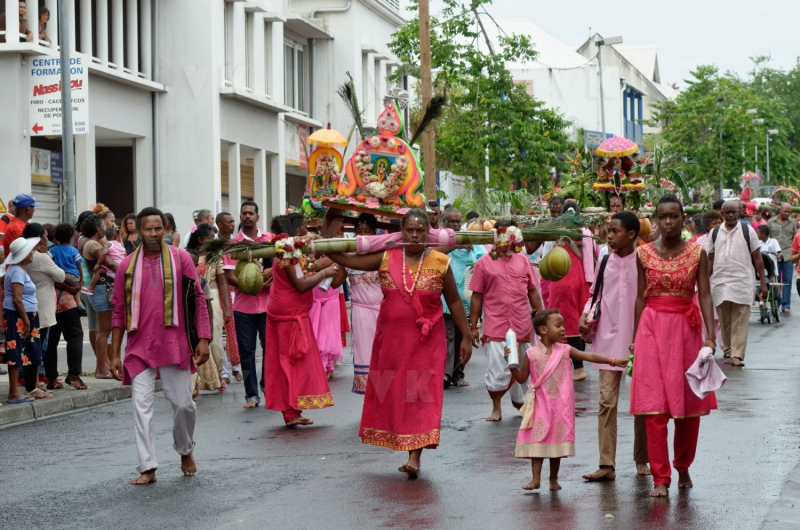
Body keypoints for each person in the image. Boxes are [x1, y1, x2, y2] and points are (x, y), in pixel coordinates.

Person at [327, 209, 472, 477]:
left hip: (426, 344)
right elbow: (347, 259)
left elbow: (453, 301)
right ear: (401, 233)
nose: (415, 235)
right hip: (390, 341)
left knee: (419, 395)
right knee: (393, 392)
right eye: (409, 230)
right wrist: (324, 241)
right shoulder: (385, 257)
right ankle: (400, 439)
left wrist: (467, 336)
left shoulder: (441, 262)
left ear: (428, 233)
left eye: (420, 230)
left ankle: (414, 456)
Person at [109, 207, 210, 485]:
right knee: (141, 406)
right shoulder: (125, 266)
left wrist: (203, 338)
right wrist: (114, 352)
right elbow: (118, 310)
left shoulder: (181, 259)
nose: (153, 234)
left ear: (166, 230)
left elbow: (198, 300)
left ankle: (185, 449)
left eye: (158, 229)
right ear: (137, 231)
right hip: (139, 347)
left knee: (184, 405)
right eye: (148, 229)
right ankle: (148, 466)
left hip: (175, 344)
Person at [631, 194, 718, 498]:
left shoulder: (698, 254)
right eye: (662, 216)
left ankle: (683, 465)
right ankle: (660, 477)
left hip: (686, 332)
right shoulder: (642, 254)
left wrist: (711, 336)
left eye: (674, 216)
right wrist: (634, 340)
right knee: (654, 408)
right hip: (651, 331)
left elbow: (705, 294)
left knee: (687, 409)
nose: (668, 222)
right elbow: (641, 298)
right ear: (656, 219)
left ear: (683, 219)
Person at [509, 310, 619, 491]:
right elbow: (522, 378)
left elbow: (589, 356)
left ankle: (553, 479)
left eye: (563, 326)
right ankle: (536, 479)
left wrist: (612, 361)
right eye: (558, 326)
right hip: (540, 405)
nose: (562, 330)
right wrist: (512, 365)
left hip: (561, 406)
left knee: (555, 443)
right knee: (538, 441)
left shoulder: (565, 350)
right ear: (543, 329)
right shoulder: (531, 353)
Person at [579, 212, 650, 482]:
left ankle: (641, 457)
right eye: (608, 231)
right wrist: (586, 313)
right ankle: (606, 464)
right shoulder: (604, 259)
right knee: (606, 402)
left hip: (638, 338)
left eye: (614, 231)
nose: (608, 236)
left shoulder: (644, 261)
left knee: (642, 404)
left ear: (631, 234)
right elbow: (595, 295)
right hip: (607, 340)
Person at [263, 214, 338, 426]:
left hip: (289, 312)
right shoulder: (287, 252)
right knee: (290, 364)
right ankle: (291, 411)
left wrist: (330, 256)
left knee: (288, 364)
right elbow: (302, 284)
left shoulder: (291, 250)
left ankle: (292, 411)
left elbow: (307, 268)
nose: (307, 230)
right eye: (305, 228)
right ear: (297, 232)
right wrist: (325, 272)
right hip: (288, 315)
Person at [470, 219, 543, 421]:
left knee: (523, 370)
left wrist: (541, 317)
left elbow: (532, 292)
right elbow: (476, 296)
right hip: (495, 326)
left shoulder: (524, 261)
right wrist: (474, 326)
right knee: (497, 371)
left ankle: (523, 407)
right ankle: (496, 407)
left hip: (522, 325)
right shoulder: (483, 263)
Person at [223, 201, 272, 408]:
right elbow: (230, 275)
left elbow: (278, 267)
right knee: (247, 351)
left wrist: (269, 275)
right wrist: (250, 284)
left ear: (257, 217)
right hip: (243, 307)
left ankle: (267, 386)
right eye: (244, 213)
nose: (247, 216)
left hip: (269, 305)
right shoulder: (233, 243)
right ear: (241, 217)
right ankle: (251, 395)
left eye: (251, 213)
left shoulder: (269, 240)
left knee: (270, 348)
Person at [708, 201, 767, 367]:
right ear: (722, 214)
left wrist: (763, 282)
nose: (731, 215)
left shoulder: (748, 231)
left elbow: (757, 257)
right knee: (724, 319)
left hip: (742, 281)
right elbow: (710, 259)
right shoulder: (714, 232)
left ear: (739, 212)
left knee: (740, 319)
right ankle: (728, 350)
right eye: (727, 212)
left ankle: (737, 354)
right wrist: (704, 282)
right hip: (720, 282)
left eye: (733, 212)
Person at [545, 199, 595, 382]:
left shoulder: (555, 233)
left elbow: (546, 259)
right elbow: (592, 258)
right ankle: (578, 367)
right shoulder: (586, 233)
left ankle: (567, 365)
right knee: (577, 321)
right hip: (582, 281)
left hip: (561, 281)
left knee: (560, 322)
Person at [441, 207, 484, 388]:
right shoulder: (440, 239)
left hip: (466, 299)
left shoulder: (471, 238)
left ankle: (458, 375)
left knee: (462, 336)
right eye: (452, 221)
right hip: (445, 301)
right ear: (444, 223)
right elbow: (434, 256)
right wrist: (455, 246)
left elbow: (483, 259)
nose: (456, 225)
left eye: (458, 221)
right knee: (448, 336)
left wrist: (477, 263)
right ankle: (445, 374)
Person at [186, 224, 229, 397]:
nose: (214, 241)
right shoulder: (186, 255)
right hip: (189, 298)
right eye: (211, 238)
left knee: (214, 340)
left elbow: (222, 283)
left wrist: (226, 309)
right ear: (201, 240)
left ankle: (217, 375)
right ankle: (195, 380)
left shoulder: (215, 257)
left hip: (212, 298)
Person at [2, 237, 46, 403]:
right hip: (19, 316)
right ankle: (13, 393)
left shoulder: (17, 270)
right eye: (31, 251)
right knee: (15, 352)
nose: (33, 252)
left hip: (24, 315)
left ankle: (26, 389)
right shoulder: (17, 271)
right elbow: (17, 299)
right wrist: (26, 321)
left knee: (29, 351)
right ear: (24, 255)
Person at [345, 214, 383, 394]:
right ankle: (370, 400)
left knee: (385, 355)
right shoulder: (349, 256)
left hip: (384, 312)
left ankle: (386, 396)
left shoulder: (383, 255)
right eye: (358, 232)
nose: (363, 235)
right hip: (361, 312)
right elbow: (336, 282)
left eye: (367, 231)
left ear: (375, 233)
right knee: (365, 354)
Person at [80, 214, 116, 379]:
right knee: (104, 331)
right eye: (103, 226)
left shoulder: (85, 241)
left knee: (102, 330)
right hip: (102, 288)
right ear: (97, 227)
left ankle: (104, 367)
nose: (105, 229)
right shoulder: (93, 244)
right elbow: (110, 263)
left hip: (100, 288)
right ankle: (102, 369)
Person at [214, 211, 241, 384]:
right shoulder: (213, 244)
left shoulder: (236, 243)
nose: (233, 224)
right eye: (229, 222)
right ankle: (224, 372)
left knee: (234, 333)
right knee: (217, 335)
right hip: (217, 292)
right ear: (220, 224)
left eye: (233, 221)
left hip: (235, 291)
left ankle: (236, 368)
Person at [49, 223, 85, 312]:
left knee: (61, 288)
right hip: (74, 276)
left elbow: (49, 260)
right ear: (70, 238)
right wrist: (81, 277)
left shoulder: (52, 250)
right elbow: (79, 264)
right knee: (75, 289)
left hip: (60, 276)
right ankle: (79, 303)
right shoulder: (74, 250)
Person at [767, 203, 796, 313]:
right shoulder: (771, 222)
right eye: (786, 211)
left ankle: (786, 305)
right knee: (776, 281)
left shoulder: (792, 223)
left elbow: (795, 238)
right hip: (774, 256)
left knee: (787, 281)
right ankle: (776, 303)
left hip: (788, 255)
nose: (788, 214)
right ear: (780, 211)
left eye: (789, 212)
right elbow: (767, 237)